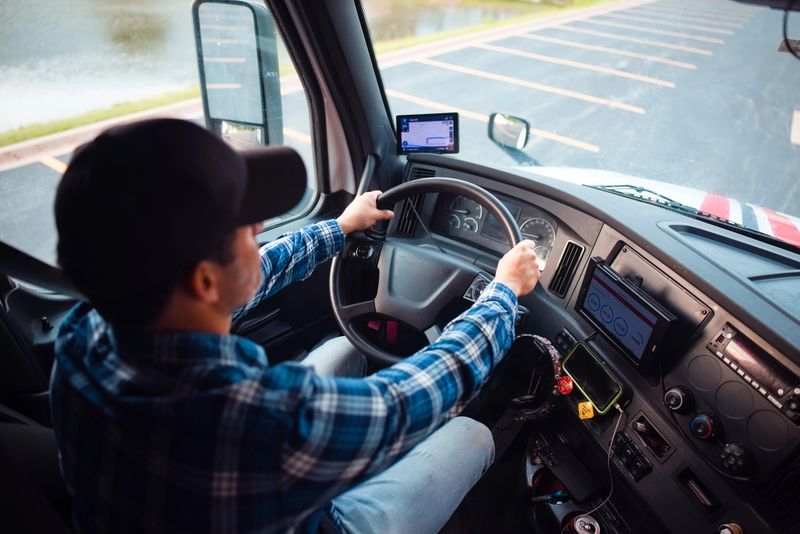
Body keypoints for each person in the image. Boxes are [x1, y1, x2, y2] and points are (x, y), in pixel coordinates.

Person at [51, 118, 541, 533]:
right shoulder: (252, 421)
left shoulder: (84, 332)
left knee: (341, 350)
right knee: (471, 436)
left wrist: (341, 227)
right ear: (204, 279)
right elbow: (407, 401)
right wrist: (502, 293)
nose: (260, 228)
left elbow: (248, 276)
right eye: (243, 226)